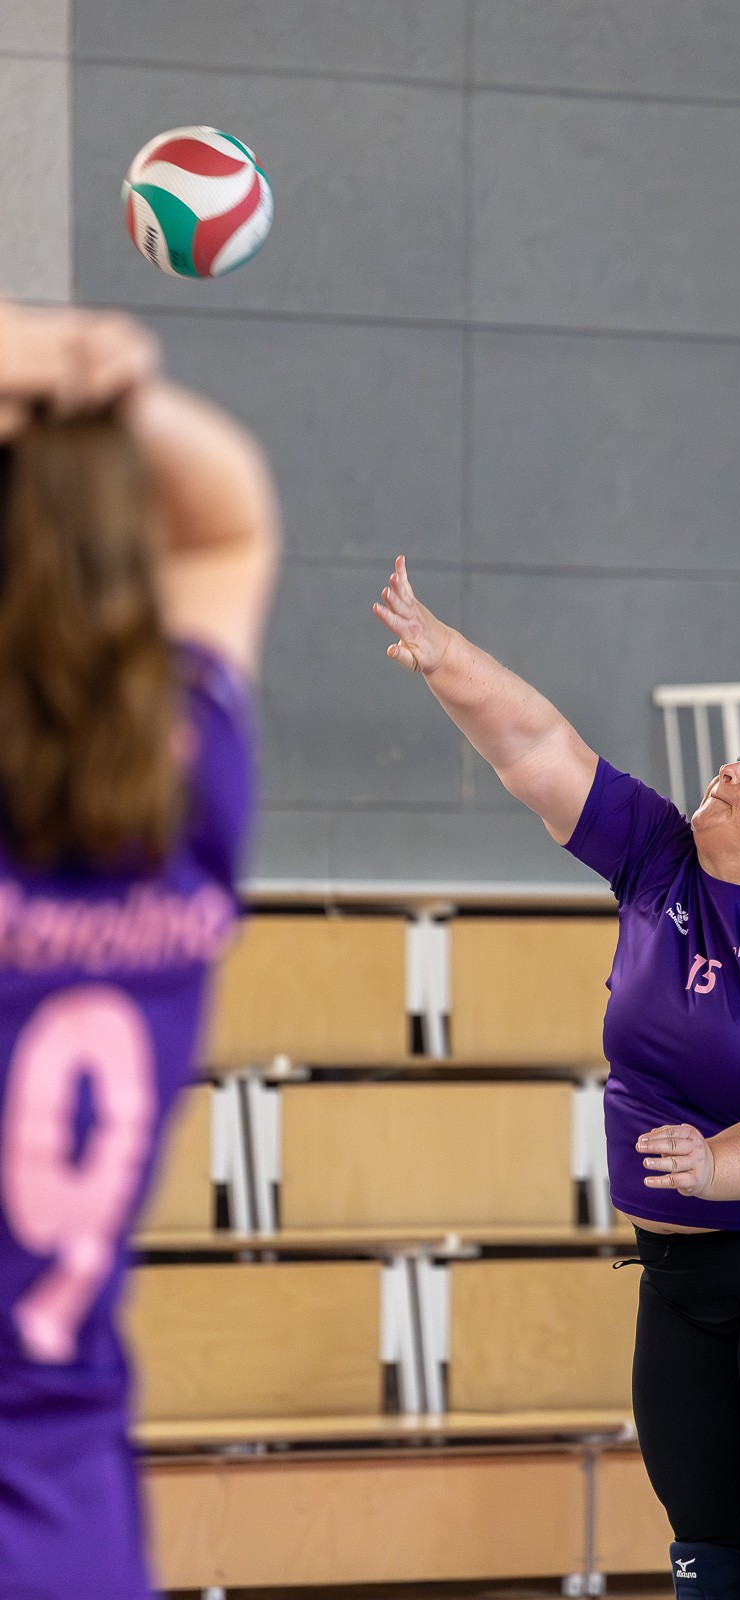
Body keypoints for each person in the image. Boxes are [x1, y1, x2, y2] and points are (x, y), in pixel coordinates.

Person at [374, 556, 740, 1600]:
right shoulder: (657, 859)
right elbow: (535, 746)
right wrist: (444, 657)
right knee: (709, 1568)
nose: (731, 770)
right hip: (682, 1275)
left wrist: (714, 1166)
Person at [0, 301, 279, 1599]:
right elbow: (228, 521)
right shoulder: (188, 787)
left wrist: (50, 368)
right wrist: (104, 391)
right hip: (69, 1510)